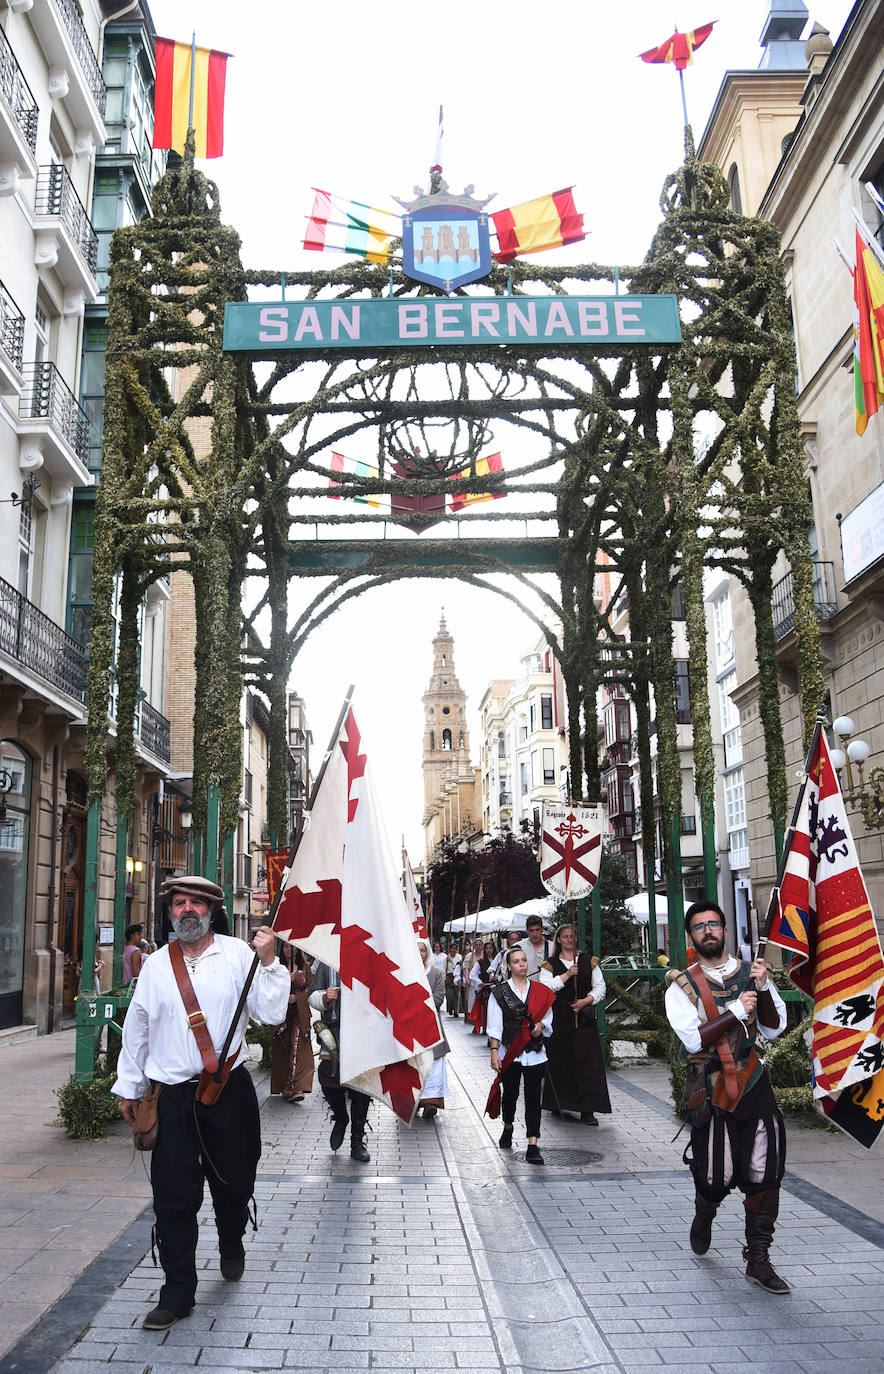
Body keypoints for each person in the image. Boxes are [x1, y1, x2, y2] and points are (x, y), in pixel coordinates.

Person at [113, 875, 289, 1331]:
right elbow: (138, 1029)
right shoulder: (155, 966)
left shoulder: (239, 955)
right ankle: (177, 1293)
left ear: (212, 911)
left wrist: (270, 963)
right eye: (178, 904)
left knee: (233, 1186)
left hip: (228, 1092)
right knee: (173, 1197)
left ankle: (231, 1242)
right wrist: (129, 1088)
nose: (186, 910)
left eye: (195, 903)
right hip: (171, 1096)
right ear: (169, 912)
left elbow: (272, 1014)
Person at [665, 898, 790, 1295]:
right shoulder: (681, 986)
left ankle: (759, 1258)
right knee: (715, 1176)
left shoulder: (750, 972)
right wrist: (736, 1009)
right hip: (712, 1089)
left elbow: (773, 1028)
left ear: (724, 928)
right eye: (700, 926)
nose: (708, 931)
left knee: (764, 1172)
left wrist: (764, 987)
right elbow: (691, 1039)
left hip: (754, 1086)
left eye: (713, 924)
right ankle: (705, 1212)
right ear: (691, 936)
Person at [487, 945, 554, 1163]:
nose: (521, 965)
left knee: (534, 1098)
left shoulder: (541, 991)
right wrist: (494, 1052)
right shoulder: (499, 993)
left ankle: (533, 1144)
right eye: (516, 961)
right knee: (510, 1095)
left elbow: (548, 1016)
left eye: (524, 960)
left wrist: (541, 1025)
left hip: (535, 1053)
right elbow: (495, 1026)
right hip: (510, 1052)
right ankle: (508, 1126)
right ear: (508, 966)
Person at [540, 924, 611, 1125]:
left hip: (584, 1018)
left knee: (587, 1063)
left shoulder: (589, 961)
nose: (569, 939)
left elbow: (601, 988)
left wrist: (585, 1002)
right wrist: (567, 975)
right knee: (561, 1061)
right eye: (565, 936)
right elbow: (546, 989)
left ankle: (587, 1109)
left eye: (572, 936)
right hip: (560, 1018)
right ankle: (558, 1102)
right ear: (559, 940)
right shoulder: (550, 964)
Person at [309, 960, 371, 1162]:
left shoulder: (368, 960)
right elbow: (313, 994)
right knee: (328, 1082)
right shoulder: (327, 961)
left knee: (360, 1090)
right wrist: (325, 998)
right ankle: (341, 1117)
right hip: (333, 1034)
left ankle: (356, 1141)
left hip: (362, 1035)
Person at [269, 942, 314, 1103]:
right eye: (286, 947)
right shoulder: (276, 967)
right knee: (285, 1048)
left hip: (299, 1015)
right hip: (282, 1015)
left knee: (298, 1047)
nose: (289, 950)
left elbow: (311, 988)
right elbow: (269, 988)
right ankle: (286, 1087)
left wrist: (298, 998)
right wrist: (283, 994)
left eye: (291, 947)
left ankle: (297, 1087)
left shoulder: (305, 966)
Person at [417, 938, 449, 1116]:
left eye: (422, 950)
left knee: (434, 1062)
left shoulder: (435, 973)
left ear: (427, 952)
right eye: (416, 950)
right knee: (414, 1063)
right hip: (411, 1025)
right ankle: (412, 1101)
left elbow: (439, 997)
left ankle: (430, 1103)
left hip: (431, 1025)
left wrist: (420, 1002)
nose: (419, 953)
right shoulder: (405, 972)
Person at [467, 940, 497, 1034]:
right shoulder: (481, 962)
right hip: (486, 989)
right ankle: (485, 1027)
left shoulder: (498, 960)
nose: (489, 950)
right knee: (485, 1009)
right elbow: (472, 974)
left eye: (491, 948)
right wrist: (480, 982)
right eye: (487, 948)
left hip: (497, 988)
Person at [462, 938, 484, 1020]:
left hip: (483, 979)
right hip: (473, 979)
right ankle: (472, 1016)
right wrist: (467, 978)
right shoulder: (470, 955)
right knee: (472, 998)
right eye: (476, 945)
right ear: (474, 946)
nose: (478, 947)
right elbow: (467, 967)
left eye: (480, 945)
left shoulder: (484, 954)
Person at [444, 942, 462, 1016]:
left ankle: (456, 1010)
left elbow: (458, 967)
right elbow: (444, 968)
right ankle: (450, 1008)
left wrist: (451, 962)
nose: (453, 950)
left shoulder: (459, 957)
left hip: (456, 976)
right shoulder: (446, 957)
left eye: (455, 948)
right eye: (452, 948)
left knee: (456, 995)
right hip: (449, 977)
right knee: (450, 995)